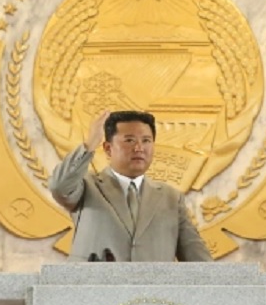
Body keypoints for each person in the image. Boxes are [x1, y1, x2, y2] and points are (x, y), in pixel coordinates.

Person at [49, 109, 212, 262]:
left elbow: (197, 258)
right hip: (94, 288)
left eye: (146, 141)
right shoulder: (87, 187)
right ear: (107, 148)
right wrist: (89, 145)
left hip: (153, 292)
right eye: (129, 140)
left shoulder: (171, 198)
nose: (139, 148)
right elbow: (59, 187)